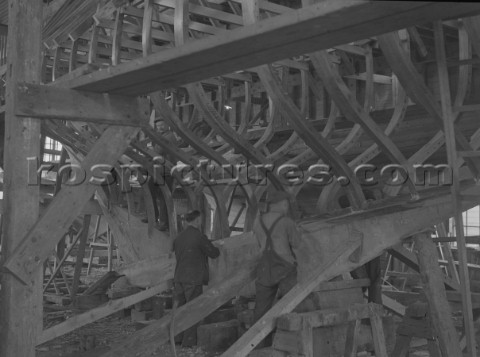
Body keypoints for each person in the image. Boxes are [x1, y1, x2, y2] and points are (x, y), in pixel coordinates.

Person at [253, 191, 301, 345]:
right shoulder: (286, 222)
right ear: (280, 205)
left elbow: (260, 244)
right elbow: (297, 244)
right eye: (286, 204)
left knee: (261, 308)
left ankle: (259, 344)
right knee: (291, 303)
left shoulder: (257, 221)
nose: (287, 207)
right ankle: (291, 342)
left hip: (264, 266)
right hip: (284, 267)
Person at [172, 210, 220, 347]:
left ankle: (177, 339)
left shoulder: (179, 237)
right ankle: (189, 341)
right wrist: (218, 248)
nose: (201, 222)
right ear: (197, 220)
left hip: (179, 278)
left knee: (179, 311)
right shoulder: (199, 236)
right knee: (192, 310)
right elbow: (213, 254)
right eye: (200, 220)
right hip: (193, 279)